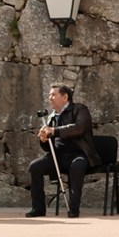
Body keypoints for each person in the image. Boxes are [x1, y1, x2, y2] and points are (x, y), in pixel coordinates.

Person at [27, 84, 100, 218]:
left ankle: (73, 209)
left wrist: (54, 131)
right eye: (49, 95)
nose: (50, 98)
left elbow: (79, 128)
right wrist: (44, 139)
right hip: (57, 156)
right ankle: (38, 208)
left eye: (53, 95)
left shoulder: (80, 109)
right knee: (35, 167)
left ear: (65, 97)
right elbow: (49, 146)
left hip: (78, 154)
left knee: (77, 166)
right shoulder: (51, 117)